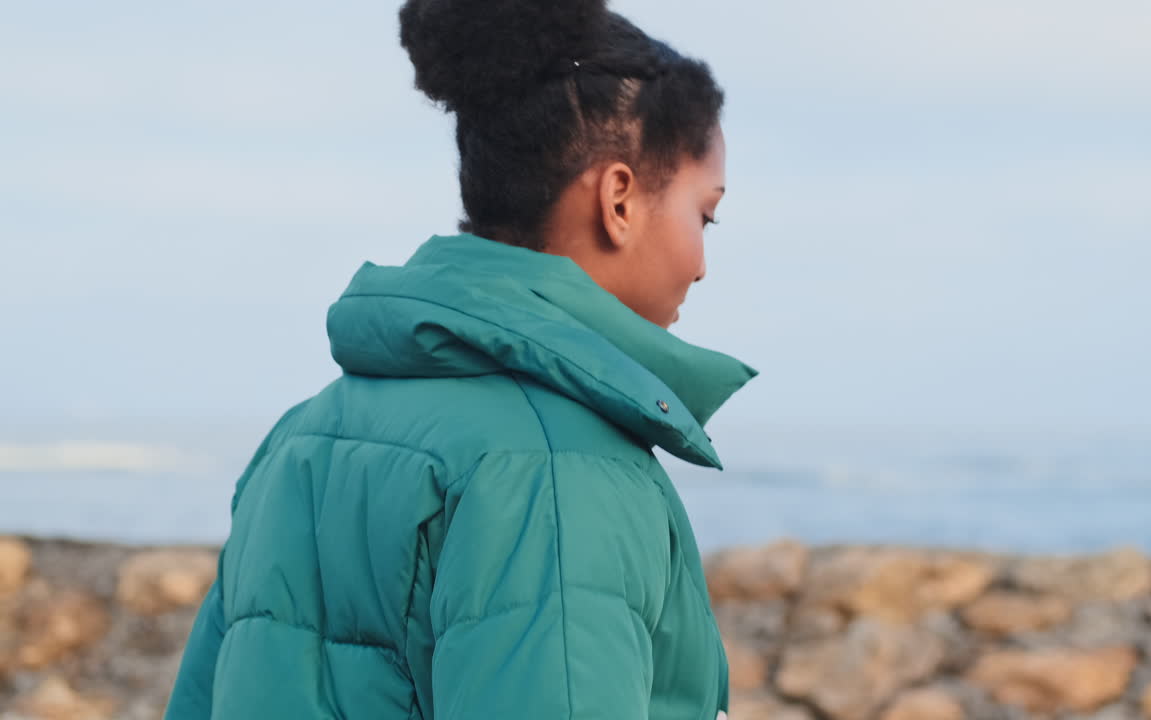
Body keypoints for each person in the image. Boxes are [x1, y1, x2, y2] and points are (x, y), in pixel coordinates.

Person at [163, 0, 756, 717]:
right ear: (620, 200)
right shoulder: (561, 468)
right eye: (705, 214)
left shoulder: (301, 438)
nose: (702, 264)